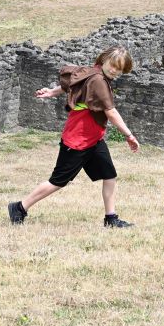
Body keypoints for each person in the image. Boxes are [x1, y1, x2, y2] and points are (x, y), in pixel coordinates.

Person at [8, 46, 139, 228]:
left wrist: (53, 92)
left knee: (109, 175)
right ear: (104, 60)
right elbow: (110, 112)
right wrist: (129, 135)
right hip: (77, 141)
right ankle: (20, 207)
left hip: (94, 139)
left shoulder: (92, 71)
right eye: (112, 65)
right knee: (58, 182)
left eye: (119, 68)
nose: (114, 70)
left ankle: (111, 218)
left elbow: (72, 81)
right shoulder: (99, 80)